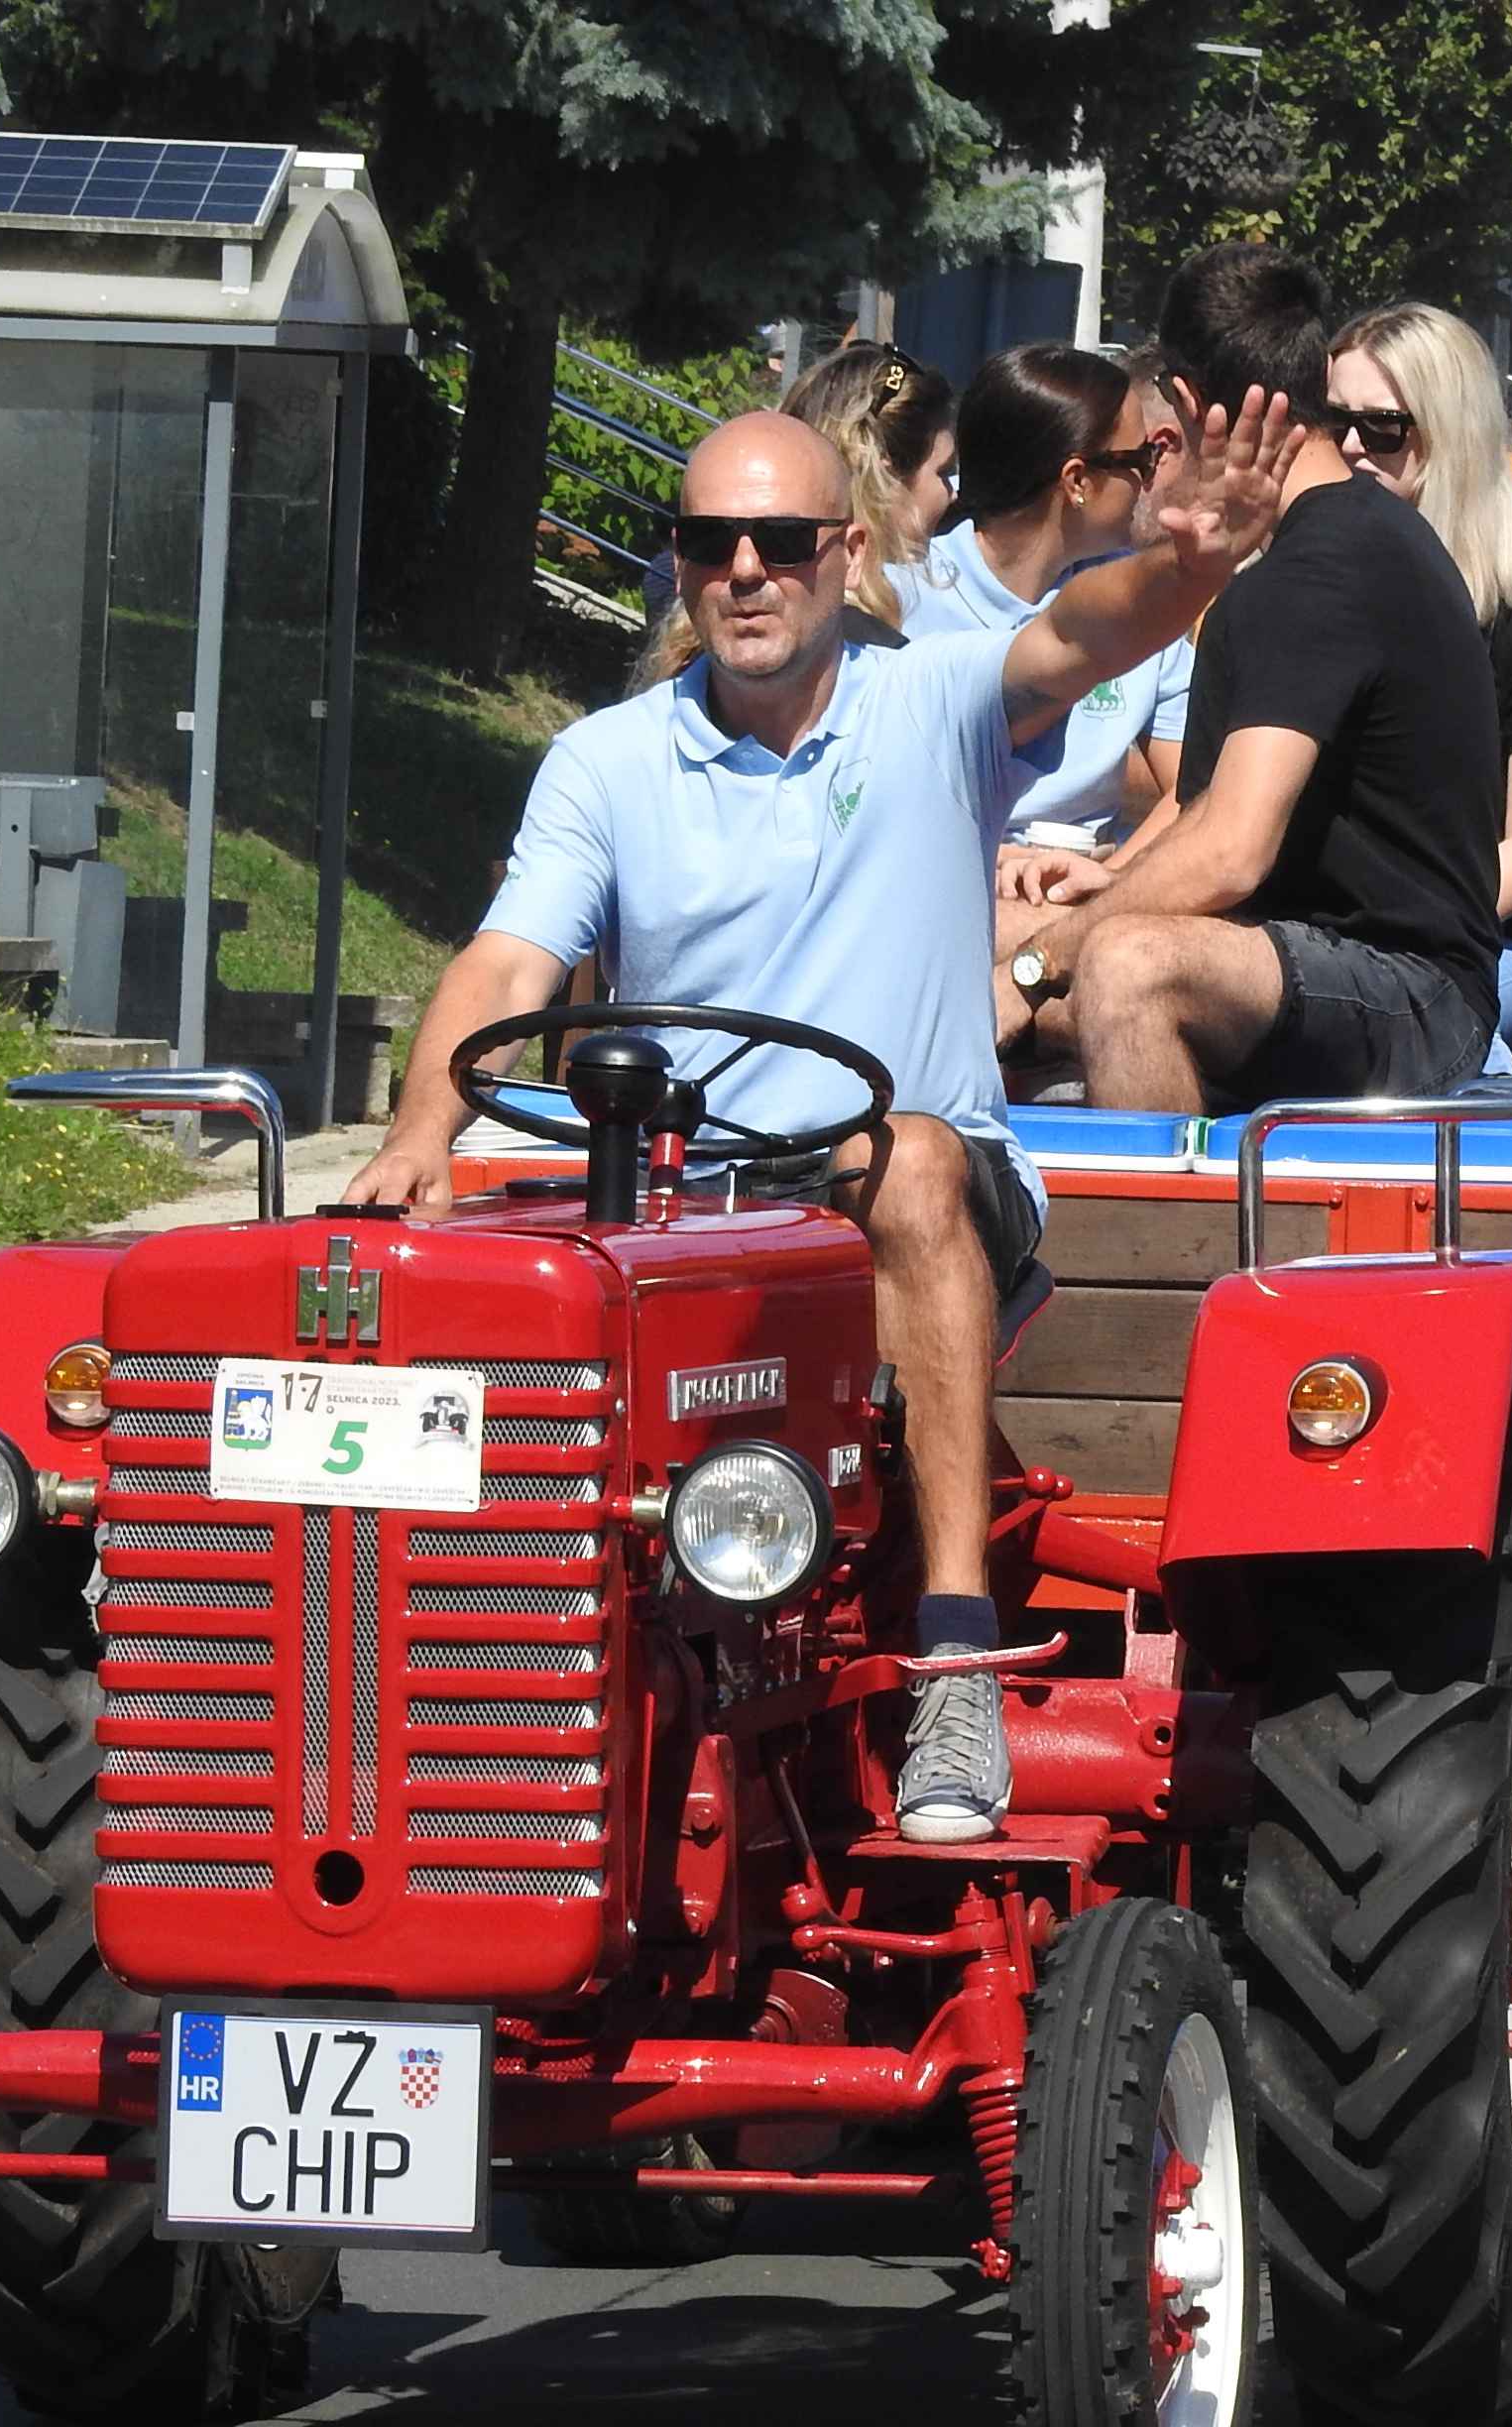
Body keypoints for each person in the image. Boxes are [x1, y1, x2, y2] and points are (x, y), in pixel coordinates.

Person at [352, 397, 1295, 1842]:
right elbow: (504, 965)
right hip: (687, 1200)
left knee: (902, 1156)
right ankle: (435, 1698)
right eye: (707, 539)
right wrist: (421, 1134)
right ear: (674, 564)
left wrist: (1186, 570)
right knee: (452, 1267)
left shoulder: (935, 700)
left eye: (781, 540)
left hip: (919, 1175)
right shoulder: (606, 762)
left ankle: (958, 1651)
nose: (743, 569)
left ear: (845, 554)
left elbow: (1081, 637)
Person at [997, 244, 1502, 1110]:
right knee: (977, 932)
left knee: (1128, 965)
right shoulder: (1344, 539)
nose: (1159, 461)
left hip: (1416, 994)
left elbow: (1232, 851)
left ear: (1191, 405)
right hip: (1308, 964)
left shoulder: (1322, 568)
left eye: (1161, 439)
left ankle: (1157, 1246)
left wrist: (1043, 965)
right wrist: (1105, 888)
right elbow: (1209, 818)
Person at [1331, 302, 1512, 1073]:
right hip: (1319, 937)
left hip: (1494, 941)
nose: (1351, 448)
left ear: (1450, 435)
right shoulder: (1300, 590)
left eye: (1383, 427)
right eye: (1333, 422)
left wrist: (1393, 930)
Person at [895, 343, 1191, 862]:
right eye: (1141, 459)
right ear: (1077, 482)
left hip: (1094, 888)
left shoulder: (1137, 595)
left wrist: (1108, 882)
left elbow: (1192, 788)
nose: (1150, 479)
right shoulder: (900, 600)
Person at [635, 343, 957, 680]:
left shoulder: (699, 624)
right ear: (885, 476)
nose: (951, 495)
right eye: (944, 472)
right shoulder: (862, 660)